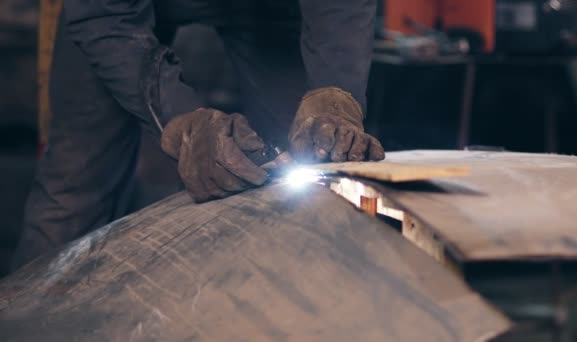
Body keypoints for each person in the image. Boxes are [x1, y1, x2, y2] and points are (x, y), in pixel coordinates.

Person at [11, 0, 385, 269]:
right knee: (74, 184)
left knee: (302, 173)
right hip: (114, 16)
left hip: (270, 7)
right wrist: (181, 120)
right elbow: (104, 16)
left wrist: (335, 94)